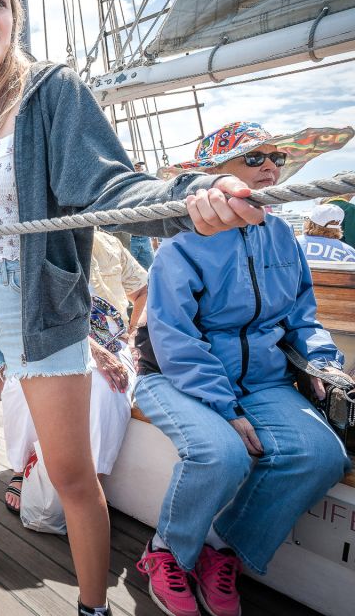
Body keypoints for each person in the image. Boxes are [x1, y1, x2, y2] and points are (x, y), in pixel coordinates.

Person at [0, 0, 265, 614]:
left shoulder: (52, 94)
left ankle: (93, 605)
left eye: (1, 3)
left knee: (72, 475)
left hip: (40, 304)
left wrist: (190, 197)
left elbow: (110, 185)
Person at [135, 121, 352, 616]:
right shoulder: (179, 246)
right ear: (215, 177)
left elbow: (301, 317)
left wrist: (322, 364)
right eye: (254, 158)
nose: (271, 165)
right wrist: (225, 408)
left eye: (275, 157)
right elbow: (175, 340)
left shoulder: (284, 239)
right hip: (173, 377)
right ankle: (166, 552)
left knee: (322, 455)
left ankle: (220, 551)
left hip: (263, 380)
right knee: (221, 454)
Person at [2, 229, 146, 515]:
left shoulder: (111, 244)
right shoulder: (41, 241)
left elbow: (143, 290)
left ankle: (95, 483)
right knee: (21, 383)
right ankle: (22, 466)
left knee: (110, 389)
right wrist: (93, 350)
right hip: (54, 334)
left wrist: (133, 336)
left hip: (113, 340)